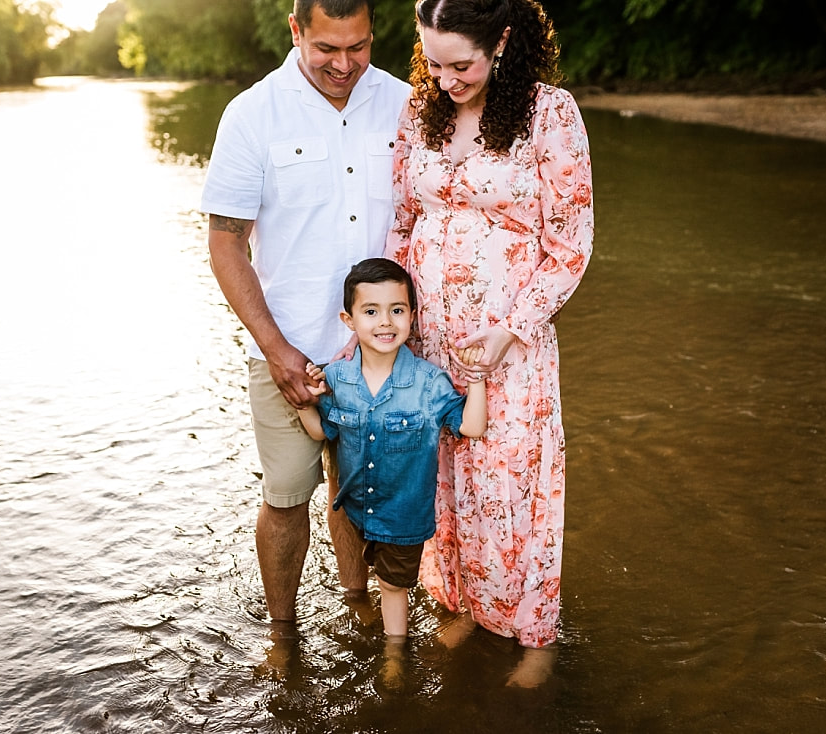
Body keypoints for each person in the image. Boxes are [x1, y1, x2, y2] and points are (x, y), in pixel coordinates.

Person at [385, 0, 594, 687]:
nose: (446, 79)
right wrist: (392, 323)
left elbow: (569, 245)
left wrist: (510, 329)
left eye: (461, 64)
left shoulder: (548, 114)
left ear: (502, 41)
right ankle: (467, 604)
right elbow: (401, 222)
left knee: (513, 482)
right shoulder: (421, 113)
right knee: (445, 480)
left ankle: (536, 634)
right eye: (433, 63)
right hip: (431, 341)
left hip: (510, 343)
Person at [199, 0, 411, 645]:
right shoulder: (251, 114)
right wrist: (276, 350)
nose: (344, 64)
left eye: (358, 46)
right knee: (287, 498)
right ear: (297, 32)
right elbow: (225, 244)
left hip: (382, 354)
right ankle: (283, 634)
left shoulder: (406, 105)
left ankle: (357, 606)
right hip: (288, 349)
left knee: (362, 495)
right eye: (327, 49)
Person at [297, 257, 487, 688]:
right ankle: (383, 630)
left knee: (393, 587)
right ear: (349, 319)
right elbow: (320, 431)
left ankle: (395, 656)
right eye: (371, 311)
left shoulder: (428, 382)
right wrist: (306, 401)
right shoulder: (337, 378)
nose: (386, 322)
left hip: (402, 519)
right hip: (357, 511)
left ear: (412, 316)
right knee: (377, 578)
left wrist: (475, 379)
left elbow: (471, 427)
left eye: (397, 310)